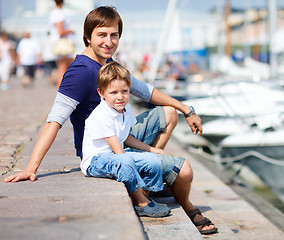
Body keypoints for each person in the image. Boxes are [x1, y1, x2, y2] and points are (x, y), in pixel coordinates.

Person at [4, 6, 217, 235]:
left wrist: (186, 109)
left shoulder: (107, 62)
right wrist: (31, 167)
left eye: (113, 35)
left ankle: (145, 182)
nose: (109, 41)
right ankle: (166, 198)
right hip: (101, 148)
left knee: (169, 113)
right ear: (88, 37)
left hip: (123, 134)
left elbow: (144, 90)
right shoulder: (79, 72)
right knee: (184, 172)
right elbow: (54, 120)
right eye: (101, 35)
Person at [83, 61, 170, 217]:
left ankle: (144, 196)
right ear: (101, 93)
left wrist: (151, 149)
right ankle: (142, 202)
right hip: (96, 160)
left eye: (124, 91)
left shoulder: (125, 109)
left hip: (115, 156)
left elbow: (126, 137)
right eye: (114, 92)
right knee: (125, 161)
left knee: (153, 160)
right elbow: (118, 150)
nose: (120, 97)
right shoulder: (101, 114)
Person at [50, 0, 74, 89]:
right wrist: (71, 31)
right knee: (64, 68)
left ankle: (63, 91)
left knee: (63, 68)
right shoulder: (59, 13)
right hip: (63, 45)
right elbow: (60, 31)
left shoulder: (53, 12)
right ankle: (61, 91)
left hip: (58, 44)